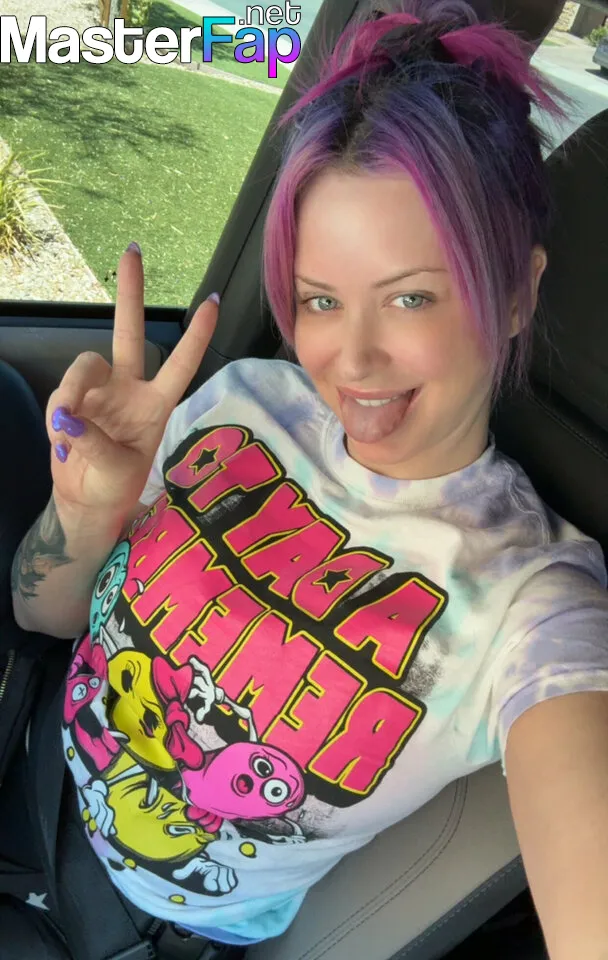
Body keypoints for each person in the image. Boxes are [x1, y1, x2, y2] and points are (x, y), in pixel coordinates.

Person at [10, 2, 608, 957]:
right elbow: (42, 616)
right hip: (27, 748)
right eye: (321, 300)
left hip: (136, 929)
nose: (353, 360)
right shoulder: (245, 398)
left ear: (515, 292)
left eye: (411, 297)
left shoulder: (529, 596)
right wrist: (86, 511)